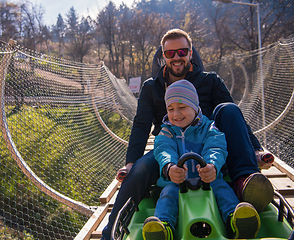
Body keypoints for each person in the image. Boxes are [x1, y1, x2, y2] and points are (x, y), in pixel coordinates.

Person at [101, 28, 274, 240]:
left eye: (182, 52)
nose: (176, 57)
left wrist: (255, 149)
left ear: (191, 53)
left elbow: (234, 117)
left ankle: (245, 182)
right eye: (170, 53)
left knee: (228, 108)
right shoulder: (152, 88)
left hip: (210, 145)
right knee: (140, 169)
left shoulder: (209, 81)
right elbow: (141, 125)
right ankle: (110, 234)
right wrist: (130, 163)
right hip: (171, 149)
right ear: (163, 56)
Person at [141, 79, 260, 240]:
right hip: (177, 182)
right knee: (167, 194)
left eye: (182, 107)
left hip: (207, 179)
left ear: (195, 108)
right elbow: (163, 149)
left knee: (222, 188)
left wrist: (212, 165)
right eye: (170, 109)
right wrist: (169, 167)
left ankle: (234, 219)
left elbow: (216, 147)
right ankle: (164, 226)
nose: (176, 114)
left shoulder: (209, 128)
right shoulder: (167, 131)